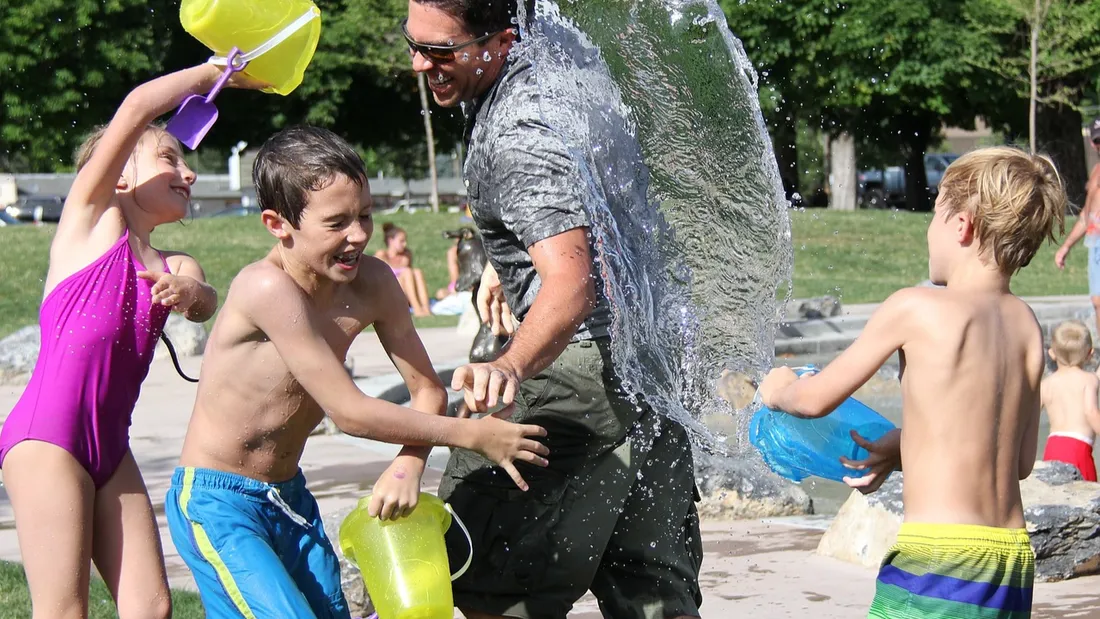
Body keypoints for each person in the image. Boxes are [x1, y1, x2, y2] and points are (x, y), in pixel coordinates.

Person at [164, 125, 549, 619]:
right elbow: (348, 412)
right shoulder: (266, 288)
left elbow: (427, 389)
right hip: (219, 504)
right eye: (337, 222)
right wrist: (471, 436)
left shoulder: (374, 283)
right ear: (277, 224)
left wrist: (410, 462)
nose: (359, 234)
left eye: (365, 215)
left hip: (288, 495)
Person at [404, 2, 703, 618]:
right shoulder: (571, 65)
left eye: (439, 51)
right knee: (649, 588)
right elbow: (591, 200)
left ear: (501, 41)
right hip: (654, 359)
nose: (419, 63)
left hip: (577, 370)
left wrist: (511, 365)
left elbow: (569, 287)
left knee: (487, 575)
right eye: (413, 43)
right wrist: (504, 253)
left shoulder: (517, 133)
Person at [759, 146, 1066, 619]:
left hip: (938, 560)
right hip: (1011, 562)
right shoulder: (1026, 326)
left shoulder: (916, 308)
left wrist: (777, 388)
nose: (928, 229)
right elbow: (1018, 460)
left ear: (961, 225)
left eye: (934, 213)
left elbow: (815, 399)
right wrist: (904, 446)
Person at [0, 64, 245, 619]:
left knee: (152, 606)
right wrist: (217, 72)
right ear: (118, 177)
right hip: (47, 440)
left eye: (187, 163)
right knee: (65, 610)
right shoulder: (90, 225)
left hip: (111, 447)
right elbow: (137, 107)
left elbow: (206, 300)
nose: (189, 174)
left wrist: (191, 292)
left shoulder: (173, 262)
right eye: (170, 160)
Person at [1054, 118, 1100, 334]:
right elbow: (1086, 217)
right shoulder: (1095, 173)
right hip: (1095, 242)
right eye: (1099, 141)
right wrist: (1066, 247)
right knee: (1098, 302)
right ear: (1092, 143)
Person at [1039, 319, 1100, 481]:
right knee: (1087, 500)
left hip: (1052, 448)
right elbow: (1091, 412)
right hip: (1078, 449)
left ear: (1051, 353)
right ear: (1090, 354)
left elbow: (1028, 415)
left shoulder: (1046, 384)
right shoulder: (1089, 380)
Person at [375, 222, 433, 316]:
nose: (405, 244)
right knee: (407, 272)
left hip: (405, 294)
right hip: (389, 293)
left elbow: (411, 281)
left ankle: (426, 309)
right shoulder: (382, 255)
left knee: (417, 272)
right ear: (391, 241)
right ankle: (417, 309)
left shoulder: (406, 255)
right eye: (401, 241)